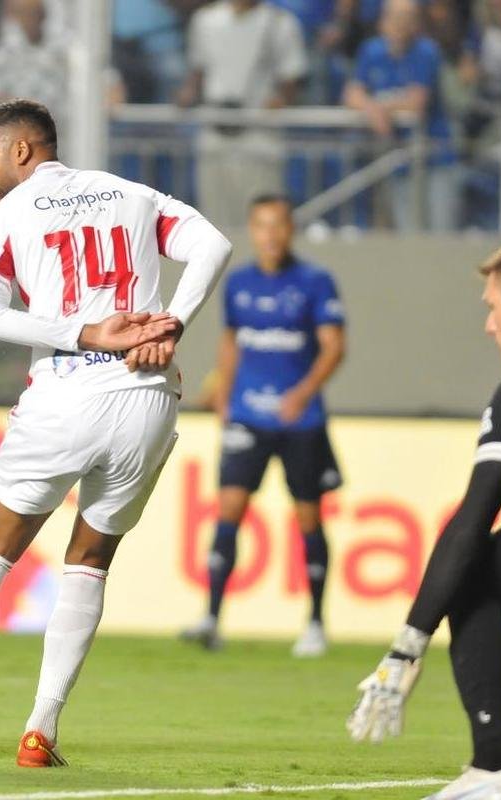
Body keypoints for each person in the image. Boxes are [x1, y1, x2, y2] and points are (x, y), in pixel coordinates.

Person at [0, 100, 232, 766]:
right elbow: (213, 245)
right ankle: (40, 730)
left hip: (68, 390)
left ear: (20, 150)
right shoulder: (132, 194)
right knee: (89, 561)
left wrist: (82, 332)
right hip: (144, 392)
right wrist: (171, 324)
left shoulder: (5, 218)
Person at [347, 234, 501, 800]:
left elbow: (471, 521)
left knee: (473, 574)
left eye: (491, 307)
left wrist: (407, 646)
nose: (489, 325)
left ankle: (491, 770)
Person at [179, 194, 346, 656]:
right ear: (252, 231)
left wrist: (302, 394)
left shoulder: (315, 282)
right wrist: (224, 395)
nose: (270, 235)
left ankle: (314, 622)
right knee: (229, 508)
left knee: (308, 515)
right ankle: (211, 618)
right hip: (249, 415)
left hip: (300, 421)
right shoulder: (238, 284)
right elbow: (231, 343)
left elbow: (334, 346)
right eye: (262, 226)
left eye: (279, 226)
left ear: (291, 229)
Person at [176, 0, 308, 230]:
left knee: (261, 214)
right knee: (214, 216)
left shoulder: (279, 23)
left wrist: (280, 100)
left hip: (258, 132)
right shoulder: (205, 20)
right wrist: (188, 93)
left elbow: (291, 76)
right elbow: (198, 71)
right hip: (215, 127)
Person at [342, 0, 459, 231]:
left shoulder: (426, 51)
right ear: (382, 21)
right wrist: (372, 109)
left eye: (408, 17)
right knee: (408, 232)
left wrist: (380, 108)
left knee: (442, 232)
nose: (400, 23)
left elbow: (417, 102)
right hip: (399, 158)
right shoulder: (372, 50)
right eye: (395, 16)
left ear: (417, 22)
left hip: (435, 156)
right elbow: (351, 94)